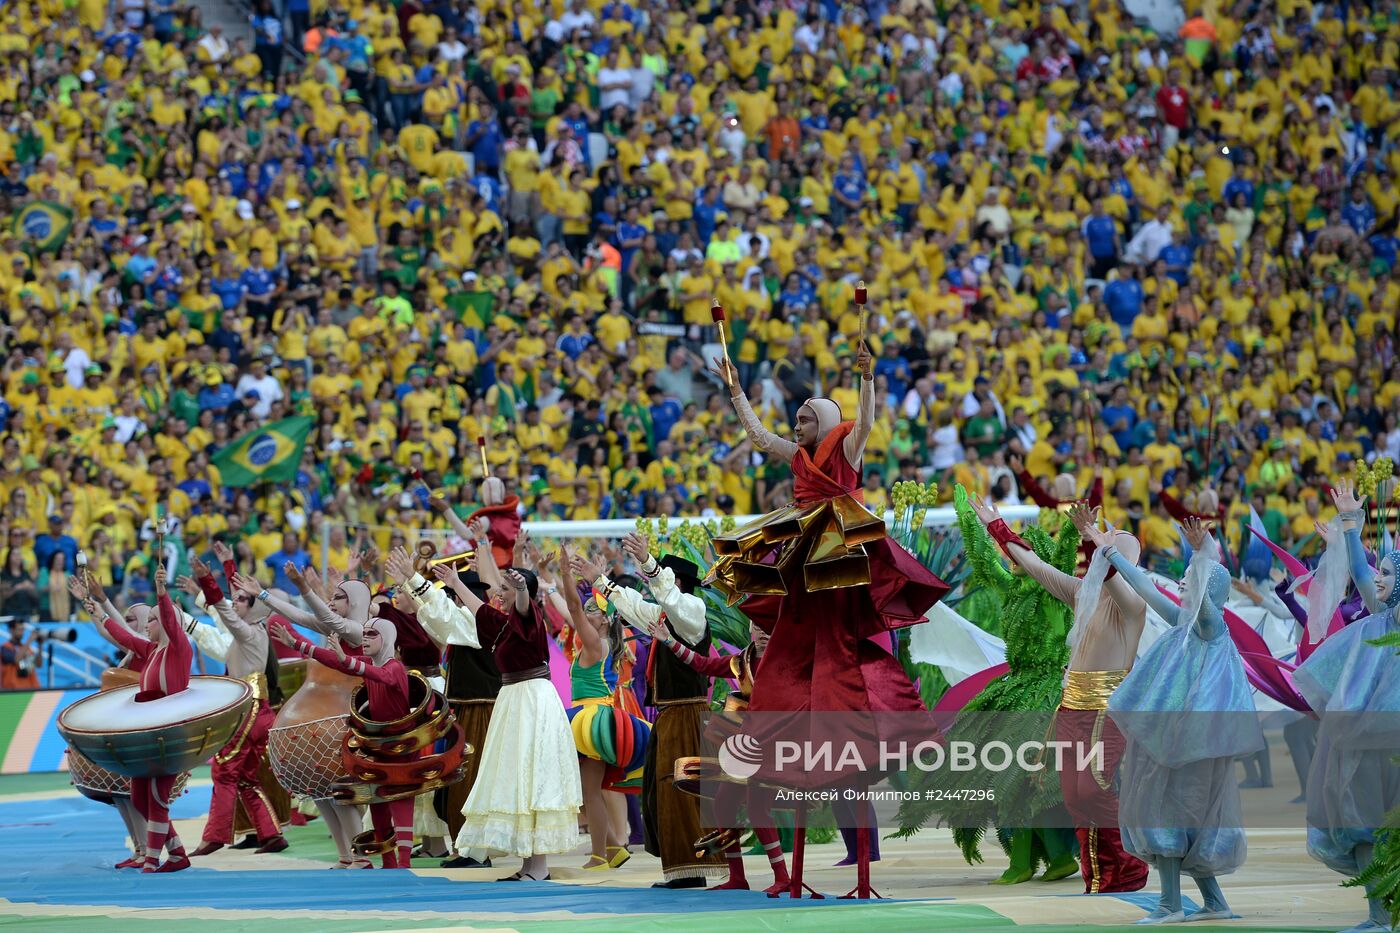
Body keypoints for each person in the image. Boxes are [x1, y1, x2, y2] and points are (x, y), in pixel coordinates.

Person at [707, 340, 949, 894]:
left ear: (826, 422)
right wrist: (737, 390)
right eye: (796, 418)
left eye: (805, 417)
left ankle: (853, 856)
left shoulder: (847, 447)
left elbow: (865, 424)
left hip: (840, 557)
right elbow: (756, 437)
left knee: (837, 645)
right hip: (803, 560)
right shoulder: (795, 457)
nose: (796, 424)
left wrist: (868, 378)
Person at [963, 498, 1151, 894]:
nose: (1101, 546)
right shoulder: (1084, 594)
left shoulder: (1132, 604)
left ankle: (1130, 869)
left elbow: (1117, 576)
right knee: (1073, 796)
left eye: (1111, 541)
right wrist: (997, 526)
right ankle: (1098, 876)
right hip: (1072, 704)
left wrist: (1093, 539)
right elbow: (1036, 567)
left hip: (1107, 707)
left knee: (1093, 788)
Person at [898, 484, 1079, 884]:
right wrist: (967, 515)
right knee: (1003, 774)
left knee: (1022, 775)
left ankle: (1029, 861)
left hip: (1047, 690)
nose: (1014, 558)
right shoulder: (1011, 588)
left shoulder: (1053, 591)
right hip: (1017, 687)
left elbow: (1066, 553)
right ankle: (1051, 857)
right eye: (1013, 552)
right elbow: (982, 559)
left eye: (1023, 552)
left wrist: (1072, 528)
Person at [1085, 516, 1263, 924]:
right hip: (1176, 740)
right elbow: (1147, 588)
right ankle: (1214, 902)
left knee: (1166, 811)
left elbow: (1200, 601)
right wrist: (1108, 551)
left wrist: (1202, 556)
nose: (1180, 583)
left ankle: (1170, 905)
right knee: (1180, 816)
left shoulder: (1208, 626)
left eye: (1188, 578)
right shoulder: (1185, 624)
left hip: (1187, 745)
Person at [427, 543, 581, 881]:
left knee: (534, 778)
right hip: (514, 699)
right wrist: (454, 584)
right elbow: (479, 609)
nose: (502, 593)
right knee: (517, 777)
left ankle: (538, 867)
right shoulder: (502, 622)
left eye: (507, 589)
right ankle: (528, 863)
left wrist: (524, 589)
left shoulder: (529, 616)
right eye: (506, 589)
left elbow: (525, 605)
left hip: (532, 700)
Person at [589, 532, 726, 888]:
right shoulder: (665, 616)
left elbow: (669, 597)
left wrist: (649, 563)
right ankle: (682, 867)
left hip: (688, 716)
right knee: (661, 791)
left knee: (680, 790)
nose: (653, 586)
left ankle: (690, 870)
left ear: (676, 582)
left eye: (661, 576)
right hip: (670, 716)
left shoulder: (693, 614)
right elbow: (632, 604)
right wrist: (599, 581)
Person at [1293, 479, 1400, 933]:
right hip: (1367, 735)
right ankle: (1378, 914)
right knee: (1358, 814)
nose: (1380, 578)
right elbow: (1361, 572)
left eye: (1390, 574)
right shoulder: (1381, 618)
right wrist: (1352, 525)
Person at [386, 543, 502, 869]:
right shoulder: (466, 624)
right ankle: (465, 848)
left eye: (459, 595)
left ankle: (476, 851)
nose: (454, 600)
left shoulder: (480, 623)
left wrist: (413, 578)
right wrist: (412, 584)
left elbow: (443, 615)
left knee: (470, 780)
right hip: (464, 709)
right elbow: (438, 619)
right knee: (456, 782)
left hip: (480, 710)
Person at [275, 616, 416, 867]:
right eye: (365, 633)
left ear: (387, 639)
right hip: (376, 748)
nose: (365, 638)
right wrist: (299, 645)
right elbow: (335, 662)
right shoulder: (370, 664)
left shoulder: (393, 667)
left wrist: (346, 658)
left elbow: (379, 675)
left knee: (400, 803)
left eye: (372, 634)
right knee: (378, 805)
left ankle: (403, 861)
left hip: (399, 750)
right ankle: (388, 861)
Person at [87, 567, 193, 872]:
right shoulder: (150, 650)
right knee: (139, 795)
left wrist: (160, 590)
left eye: (151, 621)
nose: (146, 627)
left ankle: (151, 858)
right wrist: (99, 613)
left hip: (170, 734)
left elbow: (172, 622)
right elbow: (121, 634)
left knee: (157, 796)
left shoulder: (178, 649)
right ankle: (177, 854)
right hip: (148, 734)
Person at [184, 555, 288, 856]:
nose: (236, 604)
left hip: (247, 709)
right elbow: (225, 613)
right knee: (245, 777)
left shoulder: (249, 631)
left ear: (253, 607)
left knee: (224, 771)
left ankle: (214, 836)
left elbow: (224, 614)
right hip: (260, 709)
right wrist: (224, 572)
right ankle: (270, 834)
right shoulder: (255, 632)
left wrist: (207, 581)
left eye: (242, 600)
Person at [561, 546, 650, 871]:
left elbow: (571, 606)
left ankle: (600, 855)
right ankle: (613, 848)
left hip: (592, 721)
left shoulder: (597, 643)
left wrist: (567, 574)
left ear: (602, 619)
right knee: (590, 792)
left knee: (591, 792)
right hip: (591, 718)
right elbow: (569, 607)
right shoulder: (604, 641)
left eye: (590, 611)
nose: (584, 613)